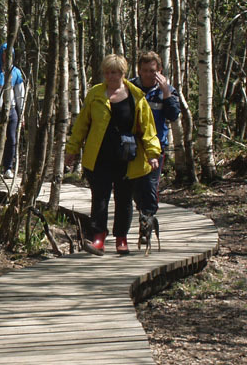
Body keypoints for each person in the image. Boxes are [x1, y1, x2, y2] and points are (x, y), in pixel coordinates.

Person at [64, 53, 161, 255]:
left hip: (127, 158)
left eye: (114, 72)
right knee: (99, 198)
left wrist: (153, 154)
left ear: (123, 73)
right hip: (99, 156)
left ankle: (121, 238)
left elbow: (148, 129)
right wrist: (72, 150)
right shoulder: (95, 94)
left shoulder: (136, 97)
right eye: (107, 72)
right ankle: (98, 237)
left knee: (124, 199)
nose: (110, 76)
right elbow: (82, 124)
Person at [130, 51, 181, 248]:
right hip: (132, 147)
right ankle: (143, 212)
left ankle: (146, 226)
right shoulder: (130, 87)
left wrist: (167, 93)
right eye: (145, 71)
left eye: (152, 71)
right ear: (139, 71)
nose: (149, 75)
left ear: (159, 70)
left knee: (150, 188)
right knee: (135, 188)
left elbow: (174, 115)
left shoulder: (167, 90)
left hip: (156, 147)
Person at [0, 43, 25, 179]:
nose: (7, 56)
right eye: (5, 53)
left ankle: (8, 168)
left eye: (10, 53)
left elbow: (20, 95)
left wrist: (21, 114)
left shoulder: (16, 72)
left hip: (11, 111)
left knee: (11, 139)